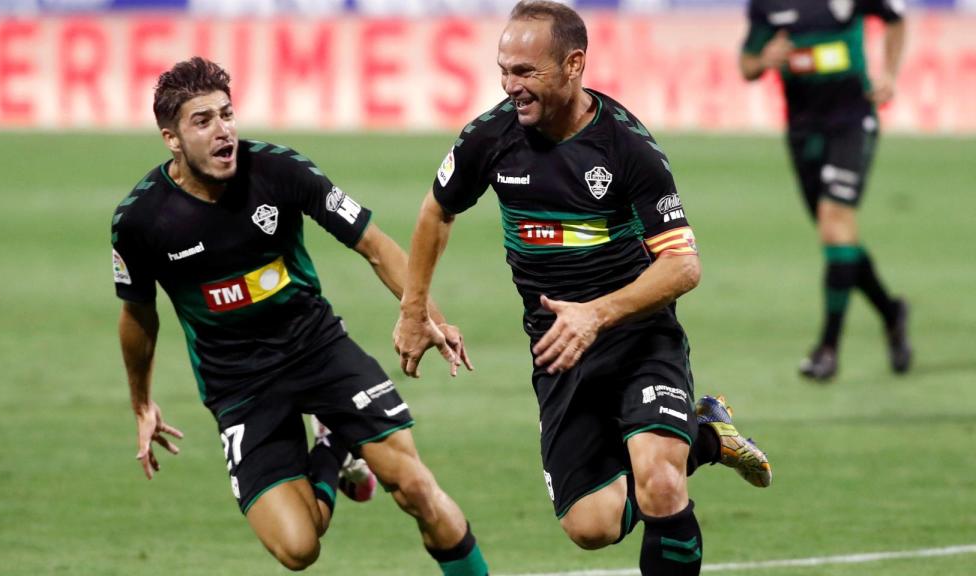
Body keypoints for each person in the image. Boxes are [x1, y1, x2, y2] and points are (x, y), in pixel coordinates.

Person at [394, 3, 771, 575]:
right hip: (558, 350)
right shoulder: (491, 138)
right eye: (504, 70)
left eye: (525, 72)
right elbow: (435, 212)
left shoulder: (626, 148)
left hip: (640, 338)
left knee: (659, 482)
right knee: (590, 526)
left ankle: (676, 449)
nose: (509, 86)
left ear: (573, 65)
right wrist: (414, 308)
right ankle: (707, 436)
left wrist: (597, 313)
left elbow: (683, 266)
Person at [111, 57, 488, 575]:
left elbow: (374, 245)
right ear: (171, 139)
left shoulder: (278, 171)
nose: (224, 131)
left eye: (227, 114)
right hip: (238, 383)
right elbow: (138, 317)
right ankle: (332, 446)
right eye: (203, 121)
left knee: (417, 488)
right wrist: (141, 403)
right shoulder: (141, 221)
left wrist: (423, 313)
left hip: (319, 351)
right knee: (298, 548)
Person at [740, 0, 912, 380]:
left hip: (852, 120)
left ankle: (827, 347)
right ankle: (891, 311)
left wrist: (890, 75)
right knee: (838, 237)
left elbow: (895, 20)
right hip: (803, 129)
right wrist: (766, 58)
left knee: (835, 224)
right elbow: (747, 65)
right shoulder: (767, 5)